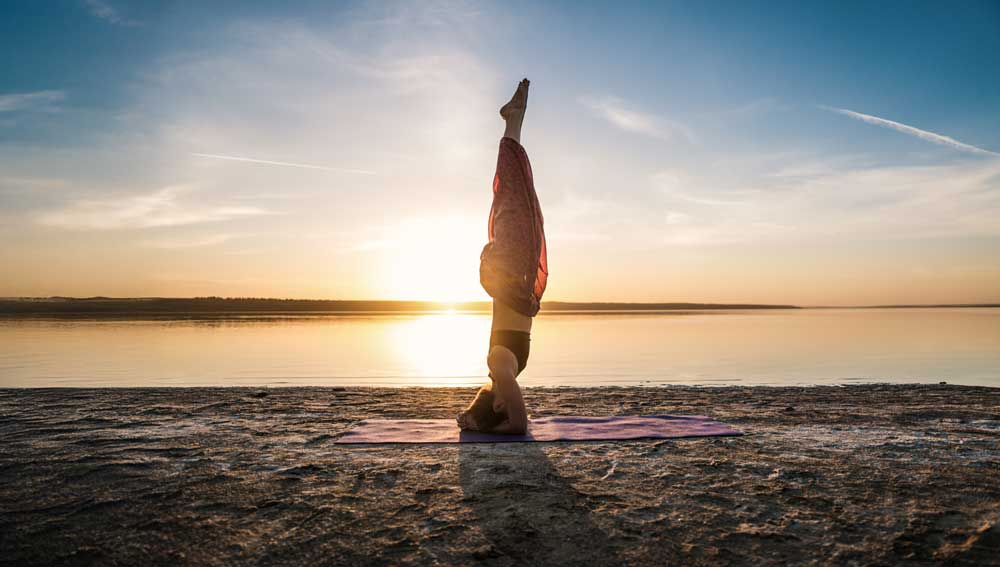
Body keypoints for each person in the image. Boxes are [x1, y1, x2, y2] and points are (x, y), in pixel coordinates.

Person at [456, 78, 548, 435]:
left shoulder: (508, 367)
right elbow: (520, 425)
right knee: (513, 198)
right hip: (513, 276)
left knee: (516, 199)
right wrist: (500, 426)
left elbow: (515, 415)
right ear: (495, 404)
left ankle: (514, 123)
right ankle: (512, 123)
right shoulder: (500, 365)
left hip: (516, 279)